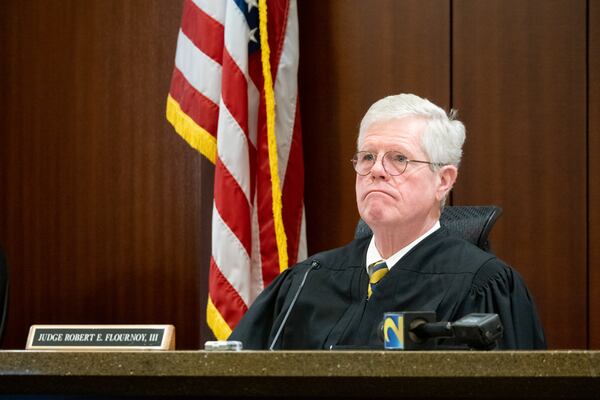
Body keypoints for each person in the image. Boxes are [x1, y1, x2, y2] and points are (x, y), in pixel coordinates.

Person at [229, 93, 546, 350]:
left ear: (443, 181)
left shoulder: (484, 287)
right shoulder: (307, 282)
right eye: (367, 157)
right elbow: (232, 376)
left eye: (398, 158)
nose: (376, 170)